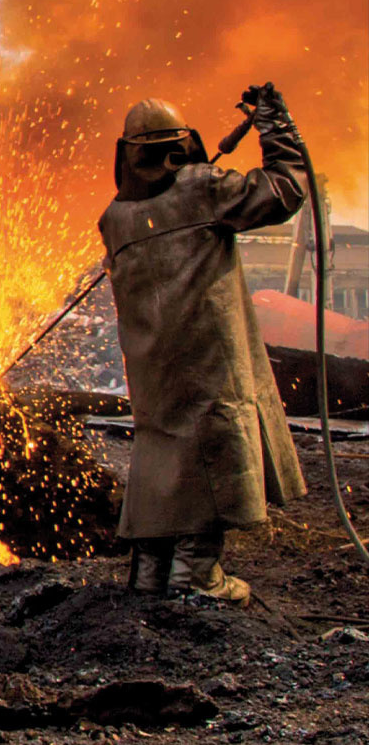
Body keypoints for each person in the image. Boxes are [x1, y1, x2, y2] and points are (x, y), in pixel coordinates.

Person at [98, 83, 307, 606]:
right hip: (208, 360)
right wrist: (275, 125)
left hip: (153, 371)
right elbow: (285, 190)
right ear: (180, 142)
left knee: (162, 457)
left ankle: (149, 576)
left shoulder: (115, 217)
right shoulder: (203, 188)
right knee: (213, 452)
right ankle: (198, 577)